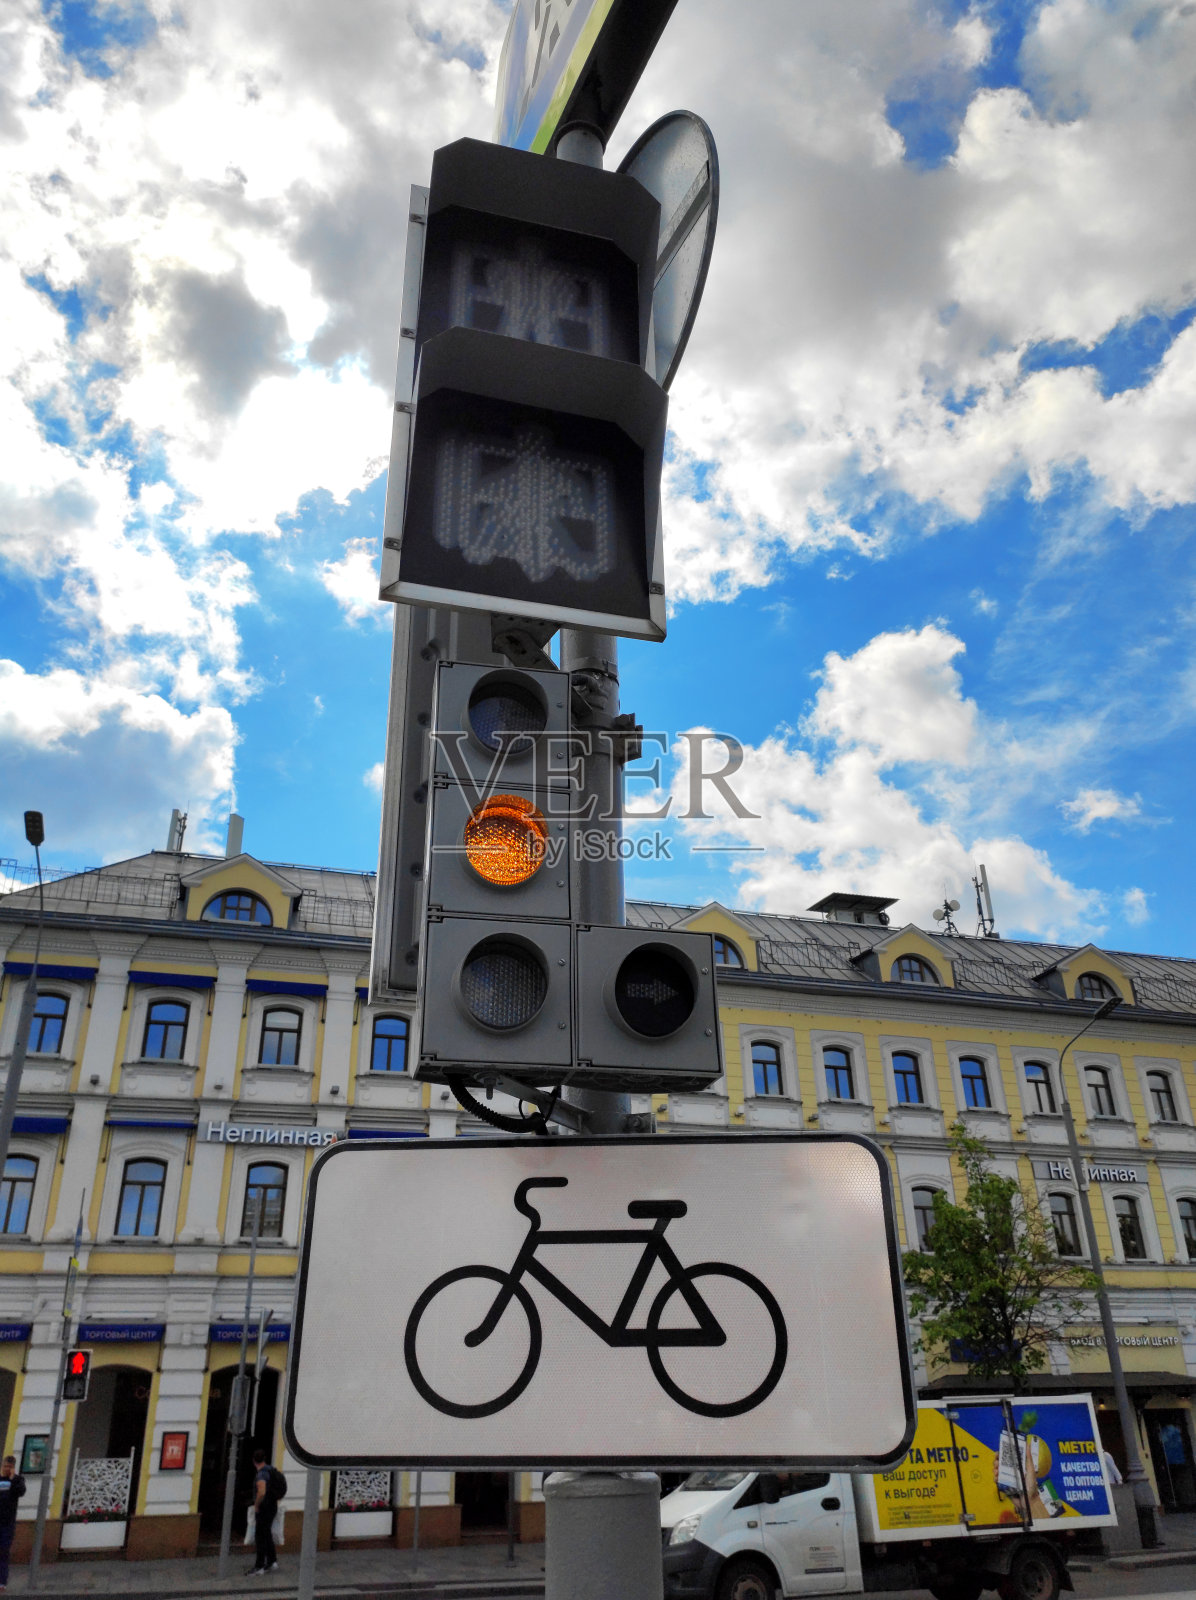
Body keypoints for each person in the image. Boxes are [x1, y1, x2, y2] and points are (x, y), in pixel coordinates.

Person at [248, 1448, 279, 1575]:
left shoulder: (261, 1474)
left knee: (260, 1536)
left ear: (254, 1460)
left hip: (264, 1508)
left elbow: (261, 1491)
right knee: (266, 1534)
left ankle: (259, 1566)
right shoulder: (271, 1470)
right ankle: (272, 1561)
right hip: (272, 1506)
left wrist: (256, 1505)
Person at [0, 1455, 27, 1592]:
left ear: (13, 1468)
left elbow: (20, 1492)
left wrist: (11, 1480)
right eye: (5, 1466)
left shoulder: (18, 1480)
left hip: (7, 1522)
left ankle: (2, 1582)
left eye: (9, 1467)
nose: (6, 1469)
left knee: (3, 1551)